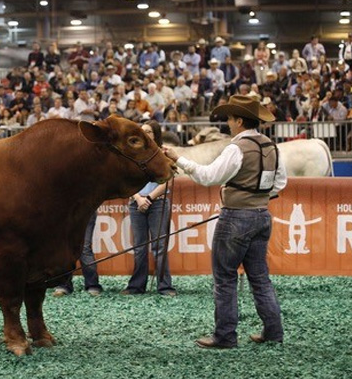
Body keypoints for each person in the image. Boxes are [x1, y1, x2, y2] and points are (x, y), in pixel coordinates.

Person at [163, 95, 287, 349]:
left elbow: (208, 177)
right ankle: (273, 331)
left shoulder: (236, 148)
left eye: (230, 119)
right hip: (262, 216)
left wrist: (178, 159)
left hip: (235, 217)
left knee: (225, 278)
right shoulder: (271, 147)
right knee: (260, 278)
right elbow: (280, 183)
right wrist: (257, 196)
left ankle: (225, 336)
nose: (228, 123)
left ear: (240, 121)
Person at [121, 121, 176, 297]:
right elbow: (128, 180)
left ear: (156, 134)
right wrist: (138, 198)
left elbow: (168, 180)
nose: (145, 134)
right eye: (142, 131)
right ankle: (137, 286)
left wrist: (149, 198)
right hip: (136, 201)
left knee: (159, 246)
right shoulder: (133, 155)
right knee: (139, 246)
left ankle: (165, 286)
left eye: (149, 131)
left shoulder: (164, 153)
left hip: (158, 202)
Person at [52, 211, 104, 297]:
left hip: (86, 210)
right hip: (63, 211)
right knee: (64, 248)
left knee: (85, 248)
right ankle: (63, 285)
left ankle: (92, 285)